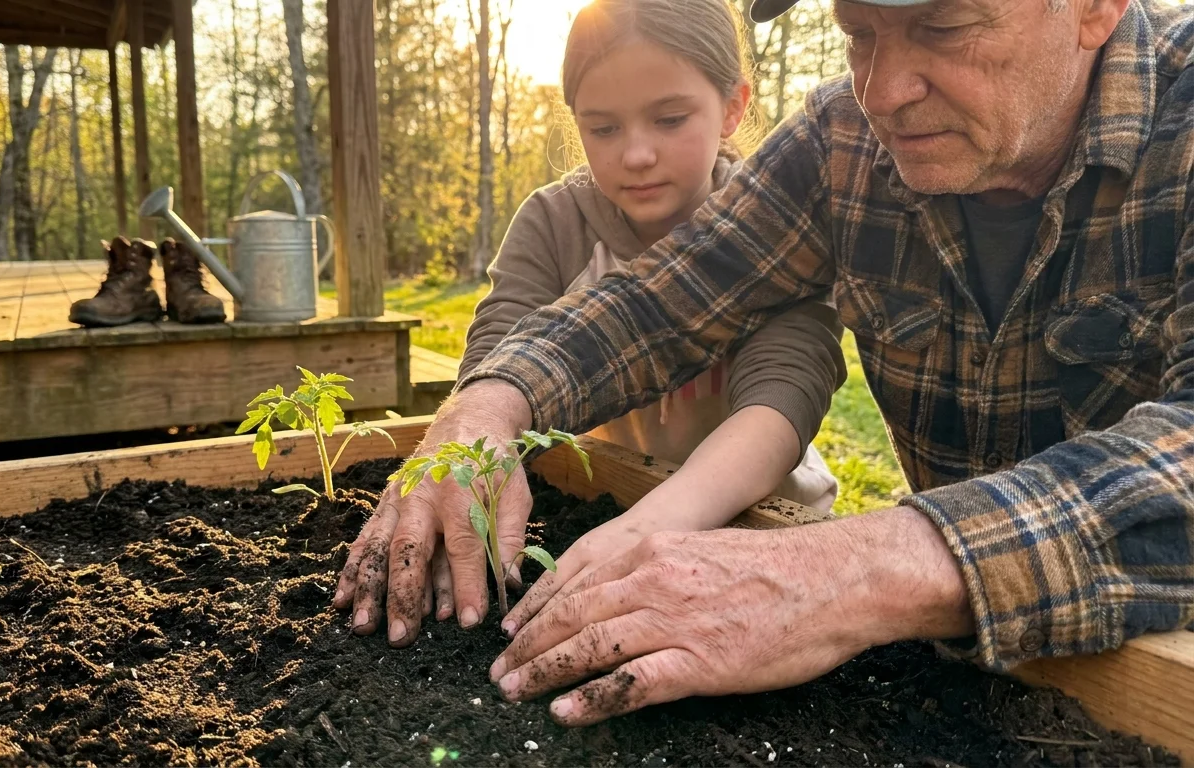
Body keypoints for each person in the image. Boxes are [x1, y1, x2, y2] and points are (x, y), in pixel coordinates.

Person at [345, 0, 1194, 728]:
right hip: (970, 672)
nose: (885, 91)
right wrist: (488, 404)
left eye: (943, 26)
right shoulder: (841, 141)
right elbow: (663, 302)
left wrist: (852, 572)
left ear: (1093, 8)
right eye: (858, 33)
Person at [442, 0, 845, 627]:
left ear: (733, 107)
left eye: (670, 119)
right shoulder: (554, 223)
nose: (636, 155)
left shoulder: (776, 225)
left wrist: (653, 527)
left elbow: (785, 391)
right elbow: (497, 353)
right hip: (602, 499)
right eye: (603, 129)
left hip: (758, 521)